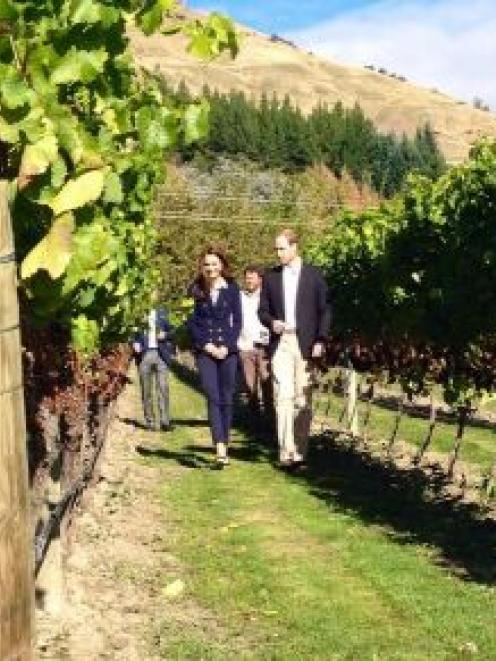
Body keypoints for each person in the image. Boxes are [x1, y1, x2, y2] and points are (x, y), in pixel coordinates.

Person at [259, 228, 330, 467]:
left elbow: (325, 310)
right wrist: (272, 322)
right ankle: (285, 450)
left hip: (306, 344)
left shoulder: (314, 276)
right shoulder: (270, 277)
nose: (278, 253)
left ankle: (300, 450)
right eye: (276, 249)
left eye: (282, 248)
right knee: (283, 396)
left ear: (294, 247)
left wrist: (321, 339)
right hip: (282, 343)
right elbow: (263, 311)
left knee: (303, 399)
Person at [187, 247, 242, 466]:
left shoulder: (232, 290)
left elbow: (237, 322)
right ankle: (219, 446)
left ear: (222, 266)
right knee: (213, 396)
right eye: (206, 264)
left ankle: (224, 443)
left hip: (228, 351)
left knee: (227, 398)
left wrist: (227, 347)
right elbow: (192, 323)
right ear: (201, 268)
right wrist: (207, 345)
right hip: (205, 351)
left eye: (214, 264)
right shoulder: (195, 291)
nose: (210, 268)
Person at [133, 299, 175, 432]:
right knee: (146, 390)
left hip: (160, 354)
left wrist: (166, 335)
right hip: (144, 355)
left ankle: (165, 421)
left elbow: (173, 330)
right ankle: (150, 422)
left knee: (163, 388)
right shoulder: (138, 312)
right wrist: (134, 342)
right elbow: (131, 332)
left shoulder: (163, 312)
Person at [238, 265, 272, 415]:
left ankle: (270, 419)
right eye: (247, 279)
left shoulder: (267, 297)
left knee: (267, 383)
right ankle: (254, 420)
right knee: (249, 386)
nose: (249, 281)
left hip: (264, 347)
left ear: (260, 279)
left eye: (252, 278)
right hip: (246, 346)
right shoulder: (240, 297)